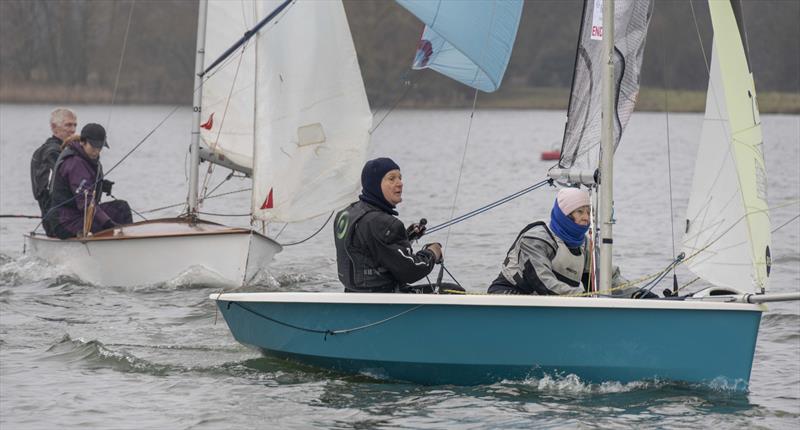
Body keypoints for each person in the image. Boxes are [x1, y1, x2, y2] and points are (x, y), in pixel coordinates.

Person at [488, 187, 653, 298]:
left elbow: (608, 279)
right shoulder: (535, 239)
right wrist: (582, 296)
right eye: (580, 212)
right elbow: (543, 282)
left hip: (555, 304)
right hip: (509, 297)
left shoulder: (584, 245)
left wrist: (639, 295)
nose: (586, 217)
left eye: (588, 212)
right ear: (564, 214)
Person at [334, 157, 450, 293]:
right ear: (375, 184)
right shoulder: (384, 223)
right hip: (383, 299)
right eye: (391, 178)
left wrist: (407, 237)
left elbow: (370, 250)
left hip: (353, 294)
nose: (399, 183)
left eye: (400, 178)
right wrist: (433, 252)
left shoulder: (346, 213)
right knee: (451, 290)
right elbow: (411, 270)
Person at [44, 123, 132, 239]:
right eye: (93, 147)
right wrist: (109, 224)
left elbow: (82, 184)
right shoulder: (75, 163)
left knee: (122, 207)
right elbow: (86, 203)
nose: (96, 151)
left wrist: (101, 185)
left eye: (99, 148)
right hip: (65, 222)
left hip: (81, 215)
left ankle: (127, 242)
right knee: (103, 222)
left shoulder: (86, 158)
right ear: (82, 142)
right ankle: (123, 244)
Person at [31, 108, 77, 221]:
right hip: (56, 216)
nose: (73, 130)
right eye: (68, 125)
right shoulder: (51, 152)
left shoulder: (64, 150)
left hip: (66, 210)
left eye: (75, 125)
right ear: (54, 127)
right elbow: (71, 177)